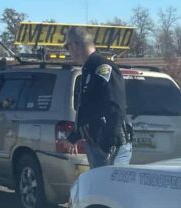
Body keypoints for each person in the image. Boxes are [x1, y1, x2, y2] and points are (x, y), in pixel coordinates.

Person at [57, 27, 133, 168]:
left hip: (110, 146)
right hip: (97, 143)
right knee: (100, 189)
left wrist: (108, 142)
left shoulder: (102, 67)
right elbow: (90, 109)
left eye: (68, 47)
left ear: (74, 45)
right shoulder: (89, 69)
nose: (69, 52)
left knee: (109, 189)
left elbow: (115, 106)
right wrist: (74, 137)